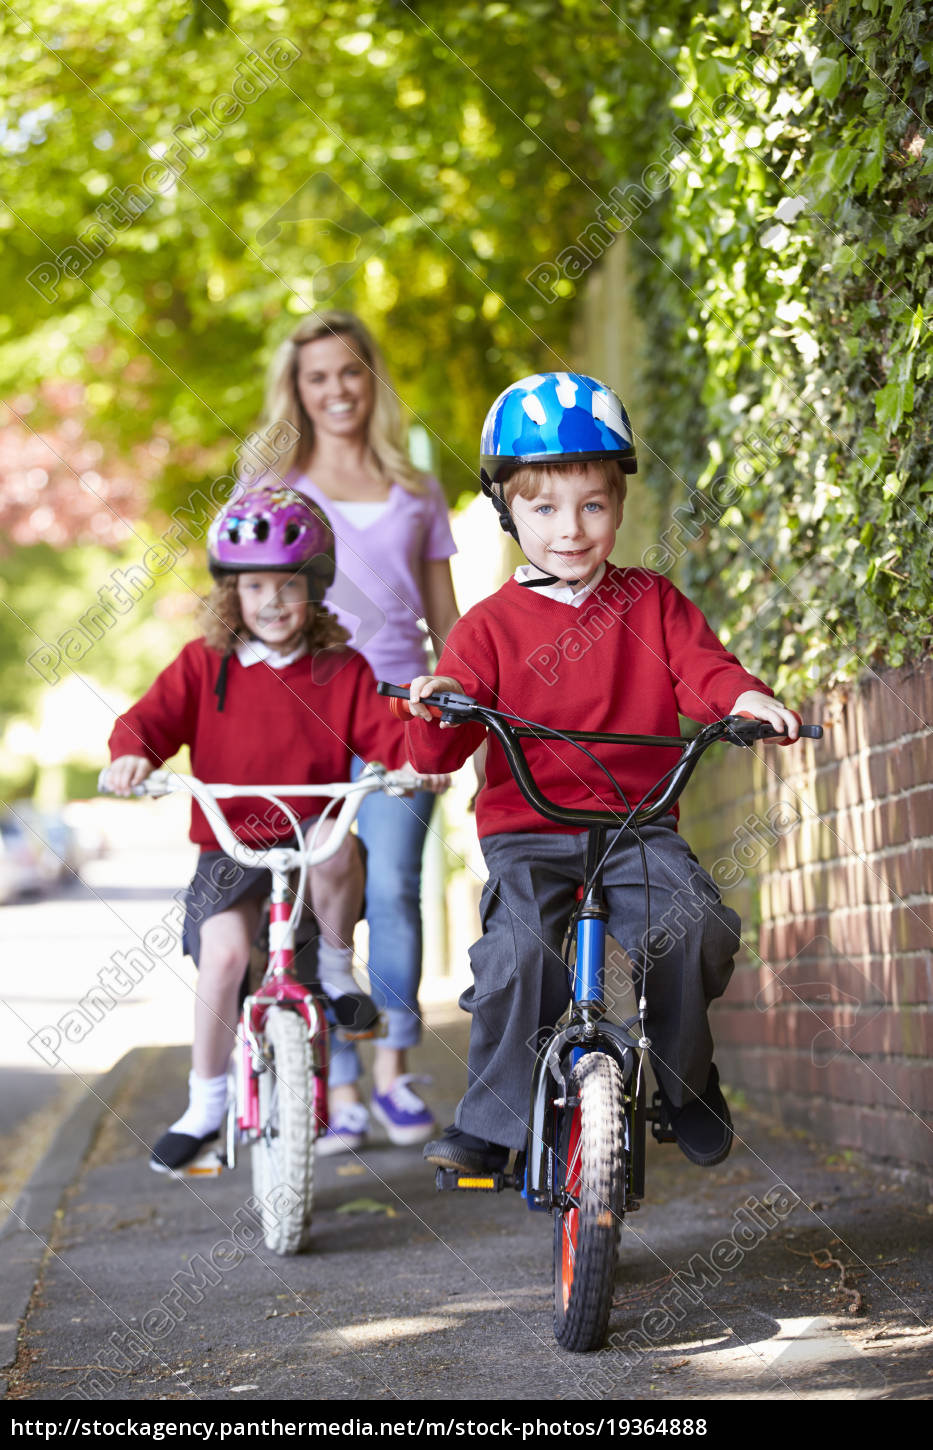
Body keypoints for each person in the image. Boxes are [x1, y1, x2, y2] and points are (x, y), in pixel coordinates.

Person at [404, 372, 802, 1175]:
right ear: (506, 512)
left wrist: (746, 697)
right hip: (528, 834)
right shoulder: (484, 630)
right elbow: (435, 755)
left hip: (636, 827)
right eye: (542, 508)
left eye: (591, 504)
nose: (570, 529)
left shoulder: (650, 602)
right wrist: (440, 706)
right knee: (517, 955)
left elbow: (704, 671)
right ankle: (493, 1125)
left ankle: (685, 1083)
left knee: (695, 927)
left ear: (618, 506)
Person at [103, 484, 433, 1172]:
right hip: (228, 851)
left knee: (336, 840)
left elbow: (383, 733)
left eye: (288, 585)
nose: (273, 602)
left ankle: (338, 974)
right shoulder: (205, 665)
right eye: (254, 586)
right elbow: (150, 720)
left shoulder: (341, 668)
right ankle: (207, 1100)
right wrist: (132, 754)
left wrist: (413, 763)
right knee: (224, 958)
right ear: (232, 593)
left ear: (313, 589)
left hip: (306, 839)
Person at [260, 308, 459, 1150]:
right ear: (296, 392)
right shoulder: (273, 494)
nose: (335, 389)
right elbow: (240, 613)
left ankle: (393, 1072)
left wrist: (456, 719)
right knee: (322, 888)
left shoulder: (415, 489)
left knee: (393, 890)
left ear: (368, 379)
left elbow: (449, 621)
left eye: (349, 372)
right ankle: (337, 1084)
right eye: (316, 377)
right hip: (304, 706)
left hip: (398, 708)